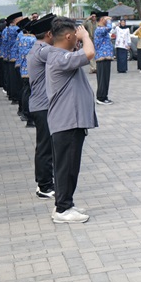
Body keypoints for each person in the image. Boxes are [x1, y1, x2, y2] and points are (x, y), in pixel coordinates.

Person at [45, 17, 97, 223]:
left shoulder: (63, 55)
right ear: (69, 36)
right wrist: (85, 36)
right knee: (66, 167)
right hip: (66, 121)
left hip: (71, 121)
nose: (79, 39)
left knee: (70, 166)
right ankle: (62, 209)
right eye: (76, 36)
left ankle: (66, 202)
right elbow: (90, 53)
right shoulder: (59, 57)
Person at [26, 14, 56, 200]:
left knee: (45, 146)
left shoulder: (40, 47)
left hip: (41, 105)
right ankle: (44, 185)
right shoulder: (44, 51)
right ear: (49, 34)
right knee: (45, 147)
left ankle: (43, 182)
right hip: (42, 105)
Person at [16, 19, 37, 127]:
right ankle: (28, 116)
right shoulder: (32, 40)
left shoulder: (21, 38)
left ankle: (23, 112)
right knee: (28, 93)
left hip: (23, 68)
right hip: (30, 69)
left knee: (25, 91)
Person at [93, 12, 114, 105]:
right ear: (102, 19)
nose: (108, 21)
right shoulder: (99, 29)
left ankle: (104, 96)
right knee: (102, 79)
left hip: (106, 57)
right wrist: (109, 20)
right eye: (106, 19)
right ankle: (101, 97)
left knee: (105, 79)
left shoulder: (102, 29)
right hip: (102, 57)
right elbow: (109, 28)